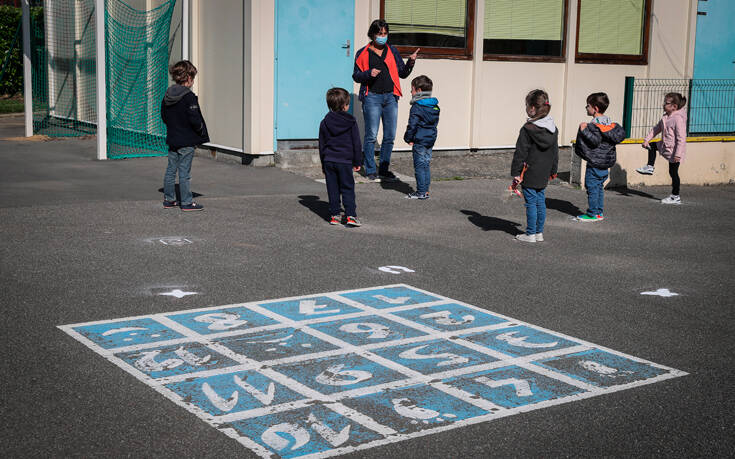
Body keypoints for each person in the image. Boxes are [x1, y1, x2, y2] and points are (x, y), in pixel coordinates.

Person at [353, 19, 419, 181]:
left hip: (390, 97)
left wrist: (410, 62)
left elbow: (402, 73)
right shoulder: (363, 53)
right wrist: (368, 74)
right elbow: (356, 76)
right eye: (379, 33)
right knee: (371, 135)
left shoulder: (392, 51)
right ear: (373, 34)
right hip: (372, 97)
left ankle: (383, 169)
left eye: (385, 33)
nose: (383, 36)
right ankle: (370, 170)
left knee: (389, 136)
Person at [510, 89, 559, 243]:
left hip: (530, 171)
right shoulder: (553, 128)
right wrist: (553, 170)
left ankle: (530, 233)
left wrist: (516, 173)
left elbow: (520, 152)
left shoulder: (527, 129)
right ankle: (538, 232)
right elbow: (555, 152)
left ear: (532, 108)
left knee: (530, 202)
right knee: (540, 201)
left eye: (526, 105)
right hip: (544, 171)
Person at [161, 60, 209, 211]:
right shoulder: (189, 97)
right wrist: (201, 130)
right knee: (184, 172)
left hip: (173, 138)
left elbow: (163, 116)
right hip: (187, 141)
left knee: (170, 170)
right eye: (193, 78)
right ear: (188, 78)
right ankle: (187, 202)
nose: (193, 81)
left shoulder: (167, 95)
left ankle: (169, 199)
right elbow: (195, 119)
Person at [574, 92, 626, 221]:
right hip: (605, 162)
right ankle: (599, 212)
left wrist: (584, 129)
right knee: (599, 188)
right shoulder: (609, 123)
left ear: (595, 108)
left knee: (591, 187)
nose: (586, 108)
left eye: (588, 106)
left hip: (595, 162)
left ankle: (592, 213)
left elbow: (594, 141)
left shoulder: (594, 124)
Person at [318, 88, 363, 227]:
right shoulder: (351, 122)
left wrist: (323, 164)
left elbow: (322, 144)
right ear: (345, 106)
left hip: (329, 160)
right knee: (347, 188)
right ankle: (350, 215)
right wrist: (357, 161)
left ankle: (335, 215)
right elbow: (356, 142)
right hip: (345, 161)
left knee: (333, 188)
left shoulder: (324, 122)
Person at [636, 92, 688, 205]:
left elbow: (681, 138)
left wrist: (678, 154)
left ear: (674, 106)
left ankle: (675, 196)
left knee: (673, 172)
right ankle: (650, 167)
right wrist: (647, 140)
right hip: (665, 145)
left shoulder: (678, 119)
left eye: (666, 103)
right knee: (652, 145)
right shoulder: (666, 117)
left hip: (674, 150)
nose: (663, 104)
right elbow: (656, 129)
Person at [403, 75, 440, 200]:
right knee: (425, 164)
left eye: (412, 89)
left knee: (419, 166)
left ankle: (421, 192)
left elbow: (412, 125)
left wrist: (408, 138)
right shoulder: (434, 107)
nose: (410, 92)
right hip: (430, 139)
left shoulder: (417, 107)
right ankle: (426, 190)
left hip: (419, 140)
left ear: (419, 91)